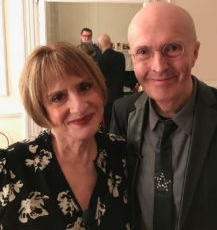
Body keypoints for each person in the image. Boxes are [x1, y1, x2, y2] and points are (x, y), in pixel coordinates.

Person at [110, 2, 217, 230]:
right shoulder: (123, 113)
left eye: (172, 48)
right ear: (133, 58)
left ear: (195, 53)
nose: (159, 66)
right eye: (143, 52)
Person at [0, 42, 130, 229]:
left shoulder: (124, 155)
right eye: (58, 97)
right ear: (41, 110)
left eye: (84, 87)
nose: (79, 106)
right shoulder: (10, 168)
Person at [97, 34, 125, 131]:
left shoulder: (100, 60)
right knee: (120, 124)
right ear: (111, 44)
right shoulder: (121, 57)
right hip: (119, 95)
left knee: (109, 126)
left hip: (107, 98)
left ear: (99, 46)